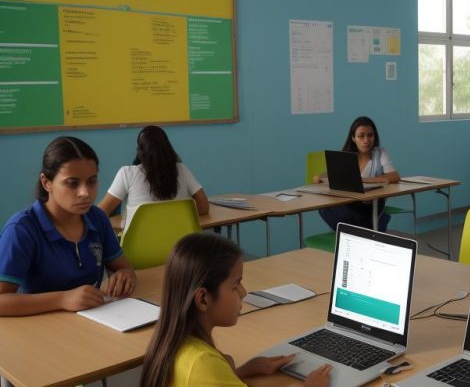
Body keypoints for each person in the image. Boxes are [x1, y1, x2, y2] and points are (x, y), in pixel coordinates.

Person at [140, 233, 332, 386]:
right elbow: (207, 378)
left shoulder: (175, 345)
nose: (243, 292)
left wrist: (241, 371)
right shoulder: (203, 365)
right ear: (203, 299)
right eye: (235, 285)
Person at [0, 136, 136, 316]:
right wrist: (62, 299)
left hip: (95, 320)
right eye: (72, 183)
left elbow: (124, 267)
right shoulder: (21, 229)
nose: (85, 193)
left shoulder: (97, 218)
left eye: (91, 181)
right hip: (41, 329)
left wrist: (125, 276)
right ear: (46, 182)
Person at [98, 126, 209, 231]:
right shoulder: (182, 170)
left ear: (139, 150)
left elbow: (99, 214)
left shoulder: (127, 174)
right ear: (168, 148)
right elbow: (204, 208)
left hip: (138, 250)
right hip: (178, 248)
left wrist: (124, 222)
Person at [315, 116, 400, 231]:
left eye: (370, 135)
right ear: (353, 138)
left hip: (370, 207)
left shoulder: (380, 153)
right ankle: (359, 230)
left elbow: (394, 176)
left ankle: (364, 228)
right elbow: (337, 175)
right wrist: (321, 177)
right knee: (324, 208)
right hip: (350, 204)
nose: (366, 140)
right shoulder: (347, 155)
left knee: (341, 214)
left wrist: (364, 180)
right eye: (361, 136)